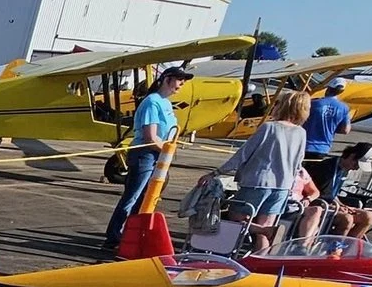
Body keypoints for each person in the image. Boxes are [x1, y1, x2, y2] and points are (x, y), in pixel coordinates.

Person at [104, 66, 192, 252]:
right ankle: (114, 237)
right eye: (179, 79)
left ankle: (131, 234)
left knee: (146, 197)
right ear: (166, 79)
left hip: (158, 155)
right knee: (133, 196)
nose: (182, 83)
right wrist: (167, 151)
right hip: (145, 154)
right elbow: (150, 137)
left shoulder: (165, 103)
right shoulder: (152, 102)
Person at [210, 89, 309, 252]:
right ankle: (262, 255)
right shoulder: (301, 133)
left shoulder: (269, 127)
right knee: (265, 226)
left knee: (235, 218)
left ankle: (255, 235)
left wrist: (217, 172)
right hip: (283, 186)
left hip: (258, 181)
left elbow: (243, 153)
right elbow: (298, 164)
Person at [301, 78, 352, 192]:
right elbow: (345, 130)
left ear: (328, 88)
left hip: (304, 145)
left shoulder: (313, 103)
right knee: (311, 178)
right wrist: (332, 128)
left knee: (298, 175)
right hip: (322, 149)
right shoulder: (344, 108)